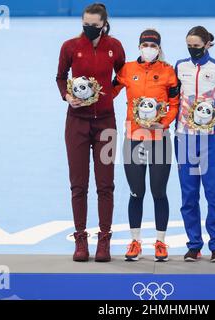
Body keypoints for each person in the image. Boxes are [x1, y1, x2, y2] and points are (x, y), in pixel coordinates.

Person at [56, 3, 125, 262]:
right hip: (76, 123)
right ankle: (81, 239)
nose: (89, 28)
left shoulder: (114, 46)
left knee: (106, 184)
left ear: (104, 24)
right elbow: (60, 77)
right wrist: (67, 96)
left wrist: (107, 95)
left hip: (106, 123)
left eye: (94, 25)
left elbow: (122, 75)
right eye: (85, 23)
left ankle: (104, 240)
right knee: (78, 184)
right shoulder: (70, 46)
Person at [113, 29, 179, 262]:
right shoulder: (127, 70)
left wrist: (165, 123)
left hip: (159, 140)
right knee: (136, 192)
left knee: (159, 193)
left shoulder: (169, 72)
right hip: (133, 139)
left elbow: (174, 103)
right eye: (145, 44)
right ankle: (135, 241)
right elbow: (109, 90)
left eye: (153, 45)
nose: (148, 48)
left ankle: (160, 242)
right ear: (139, 47)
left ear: (159, 48)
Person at [174, 26, 215, 262]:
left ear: (207, 44)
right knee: (188, 195)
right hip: (185, 138)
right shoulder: (180, 67)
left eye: (196, 46)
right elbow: (173, 96)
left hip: (209, 139)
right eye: (189, 46)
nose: (192, 50)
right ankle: (194, 244)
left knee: (213, 194)